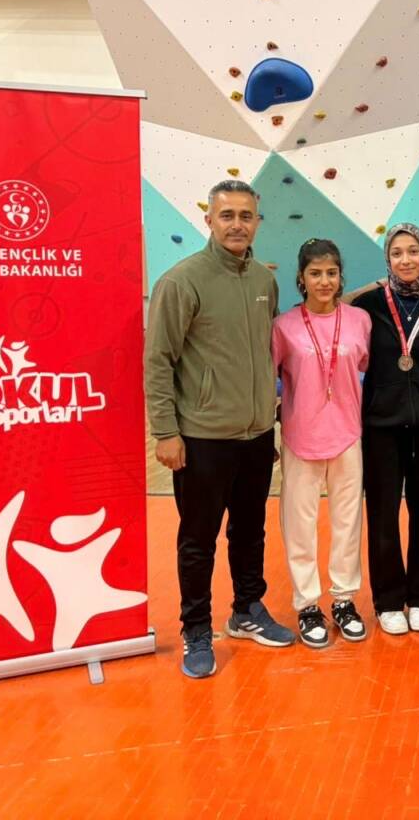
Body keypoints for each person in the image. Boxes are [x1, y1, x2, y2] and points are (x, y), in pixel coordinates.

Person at [144, 179, 295, 680]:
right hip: (202, 438)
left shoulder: (264, 281)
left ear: (258, 223)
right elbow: (158, 360)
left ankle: (247, 609)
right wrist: (165, 431)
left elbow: (265, 354)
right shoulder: (180, 282)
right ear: (208, 219)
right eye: (227, 215)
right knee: (198, 540)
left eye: (246, 216)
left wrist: (266, 419)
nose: (237, 224)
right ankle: (196, 629)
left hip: (255, 437)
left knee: (250, 532)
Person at [352, 224, 419, 635]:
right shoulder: (368, 305)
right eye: (397, 253)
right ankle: (389, 600)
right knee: (383, 516)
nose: (406, 259)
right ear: (387, 259)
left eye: (413, 251)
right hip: (381, 427)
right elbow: (332, 307)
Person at [272, 238, 373, 648]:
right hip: (300, 437)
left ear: (340, 276)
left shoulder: (360, 321)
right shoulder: (283, 326)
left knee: (348, 522)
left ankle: (344, 599)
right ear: (301, 278)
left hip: (348, 433)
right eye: (315, 273)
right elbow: (271, 377)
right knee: (300, 524)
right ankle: (308, 604)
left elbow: (363, 364)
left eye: (331, 272)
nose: (324, 281)